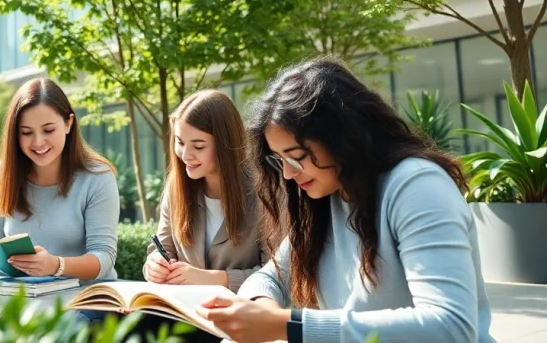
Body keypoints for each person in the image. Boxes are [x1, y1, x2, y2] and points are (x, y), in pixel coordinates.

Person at [197, 58, 495, 343]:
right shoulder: (325, 197)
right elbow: (271, 278)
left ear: (343, 138)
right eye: (280, 160)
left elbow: (451, 326)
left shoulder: (417, 186)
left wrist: (288, 326)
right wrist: (261, 307)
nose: (287, 173)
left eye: (298, 157)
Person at [0, 78, 120, 282]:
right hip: (22, 297)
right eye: (26, 133)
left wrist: (55, 265)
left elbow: (104, 257)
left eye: (48, 130)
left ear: (68, 124)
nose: (38, 142)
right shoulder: (1, 174)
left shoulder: (97, 177)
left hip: (85, 298)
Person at [144, 89, 264, 291]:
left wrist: (212, 278)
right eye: (180, 142)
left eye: (198, 146)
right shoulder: (177, 186)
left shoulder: (264, 191)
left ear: (226, 145)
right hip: (184, 314)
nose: (185, 155)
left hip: (243, 314)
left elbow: (279, 276)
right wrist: (154, 264)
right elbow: (163, 248)